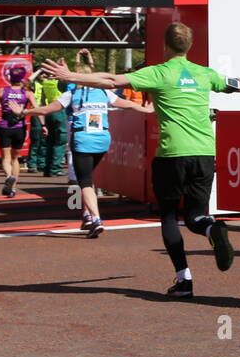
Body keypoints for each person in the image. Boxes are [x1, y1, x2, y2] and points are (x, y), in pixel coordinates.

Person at [44, 23, 240, 297]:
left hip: (171, 155)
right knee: (197, 216)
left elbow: (112, 81)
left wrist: (72, 75)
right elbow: (239, 84)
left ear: (165, 46)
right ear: (189, 46)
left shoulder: (159, 73)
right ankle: (211, 229)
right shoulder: (203, 73)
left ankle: (184, 281)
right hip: (204, 153)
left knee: (170, 216)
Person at [21, 62, 154, 237]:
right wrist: (145, 108)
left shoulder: (71, 94)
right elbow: (127, 104)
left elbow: (45, 109)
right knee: (89, 178)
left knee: (83, 181)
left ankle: (95, 218)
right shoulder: (104, 92)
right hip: (103, 140)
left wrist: (22, 113)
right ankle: (86, 214)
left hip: (82, 140)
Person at [0, 65, 35, 198]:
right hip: (19, 127)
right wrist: (43, 125)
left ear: (9, 77)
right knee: (15, 158)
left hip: (5, 127)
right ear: (22, 78)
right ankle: (13, 188)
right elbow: (36, 109)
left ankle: (9, 177)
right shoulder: (27, 92)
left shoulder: (1, 91)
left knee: (5, 158)